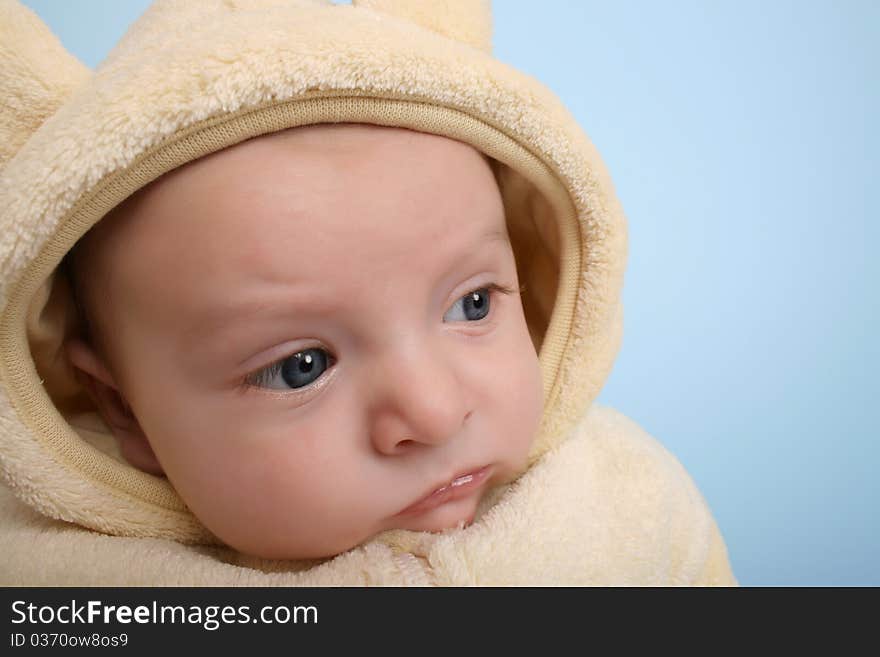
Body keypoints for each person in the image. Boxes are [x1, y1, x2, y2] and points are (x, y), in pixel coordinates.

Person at [0, 0, 736, 585]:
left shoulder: (624, 502)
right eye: (301, 365)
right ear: (121, 406)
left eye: (472, 304)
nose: (436, 411)